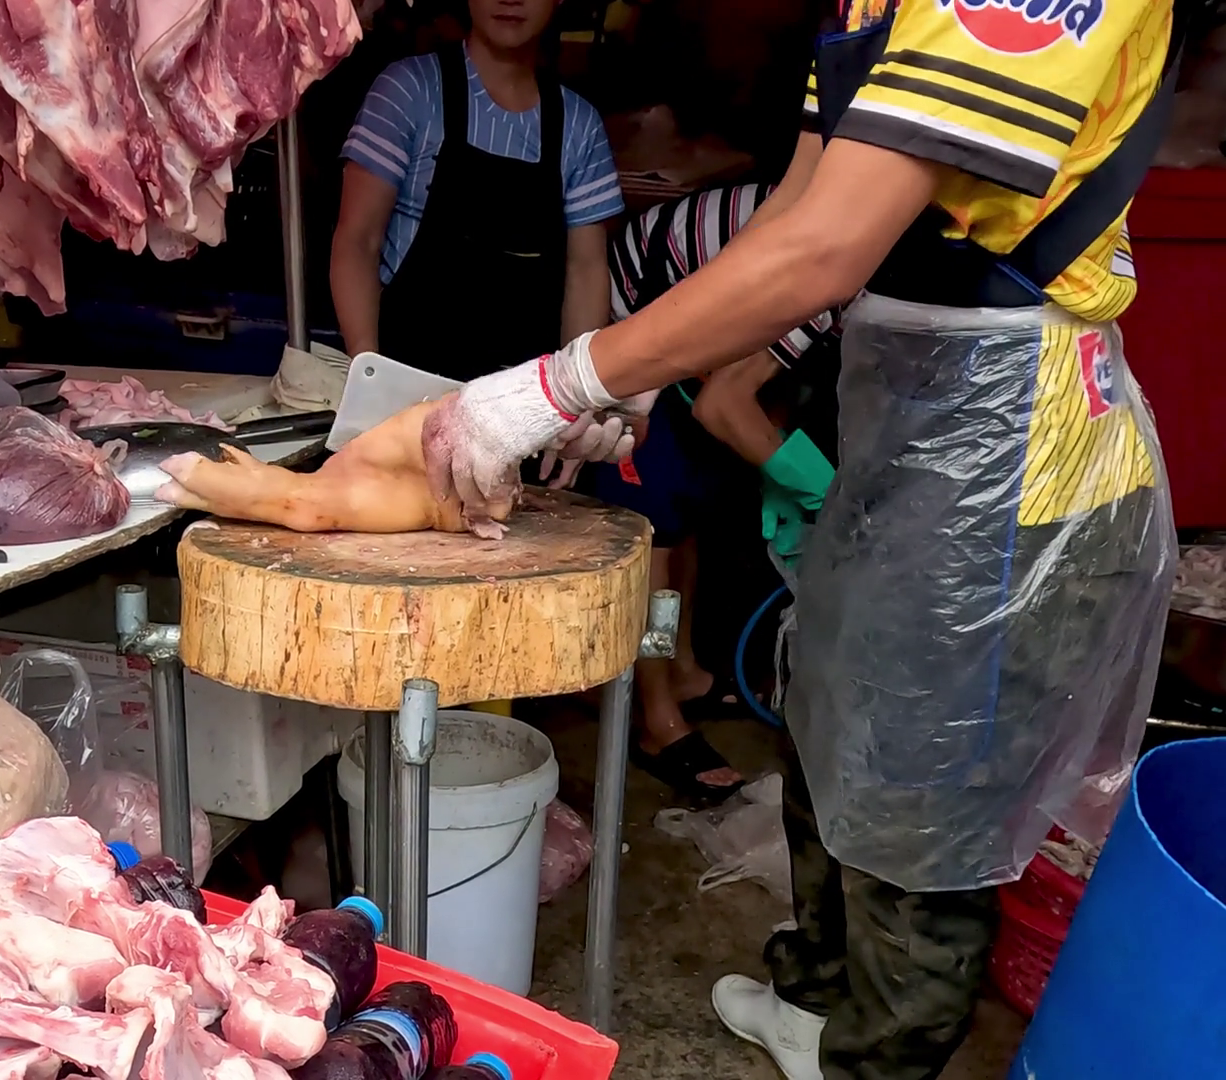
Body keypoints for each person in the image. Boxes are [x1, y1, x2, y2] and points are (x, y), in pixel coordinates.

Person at [420, 0, 1182, 1076]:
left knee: (919, 804)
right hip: (903, 413)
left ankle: (877, 1063)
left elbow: (831, 246)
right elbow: (798, 206)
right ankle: (816, 1004)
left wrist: (559, 382)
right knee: (827, 724)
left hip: (1015, 457)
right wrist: (646, 371)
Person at [571, 181, 841, 804]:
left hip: (698, 334)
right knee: (651, 537)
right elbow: (722, 404)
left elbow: (755, 382)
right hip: (635, 321)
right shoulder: (835, 273)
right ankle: (656, 720)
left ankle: (682, 670)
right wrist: (824, 495)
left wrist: (781, 459)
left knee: (685, 511)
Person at [330, 0, 625, 382]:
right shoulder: (409, 90)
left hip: (520, 393)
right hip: (404, 378)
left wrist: (575, 394)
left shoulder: (580, 127)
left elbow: (584, 270)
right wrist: (369, 372)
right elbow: (358, 240)